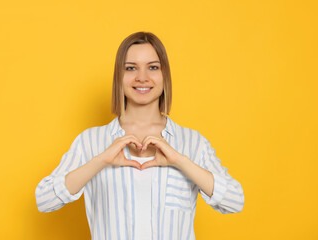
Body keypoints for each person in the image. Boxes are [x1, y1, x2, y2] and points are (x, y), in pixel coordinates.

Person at [35, 31, 245, 240]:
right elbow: (44, 200)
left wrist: (181, 162)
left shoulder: (193, 142)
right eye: (130, 68)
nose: (142, 77)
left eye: (153, 67)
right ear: (119, 76)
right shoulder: (90, 141)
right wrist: (100, 161)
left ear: (165, 75)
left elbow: (235, 201)